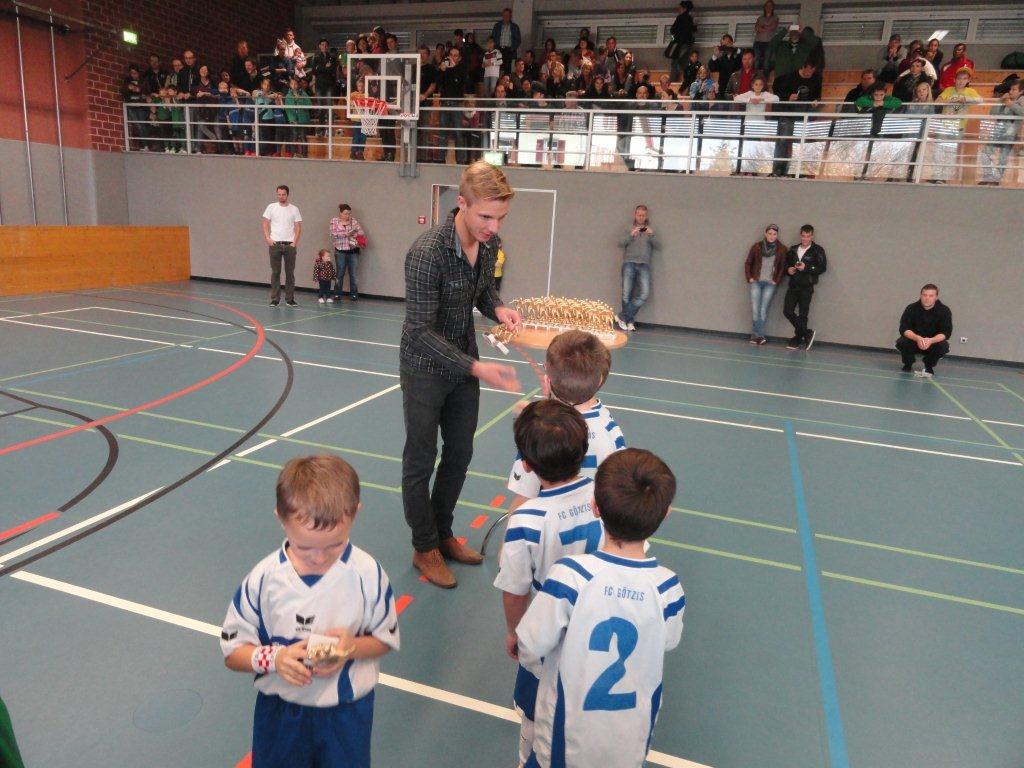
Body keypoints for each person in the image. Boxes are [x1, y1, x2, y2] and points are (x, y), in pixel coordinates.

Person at [220, 455, 400, 768]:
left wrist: (351, 648)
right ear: (280, 517)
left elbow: (384, 640)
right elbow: (233, 654)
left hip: (347, 714)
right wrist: (275, 659)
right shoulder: (263, 581)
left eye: (334, 545)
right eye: (304, 547)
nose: (319, 558)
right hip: (281, 714)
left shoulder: (368, 575)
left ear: (355, 512)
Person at [516, 448, 685, 768]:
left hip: (564, 745)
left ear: (595, 507)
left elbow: (530, 646)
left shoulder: (569, 578)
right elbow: (667, 640)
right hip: (629, 745)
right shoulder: (667, 588)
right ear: (665, 514)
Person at [400, 161, 522, 589]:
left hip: (465, 366)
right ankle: (424, 546)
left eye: (500, 217)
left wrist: (498, 308)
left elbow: (483, 290)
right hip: (425, 369)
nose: (493, 226)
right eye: (485, 216)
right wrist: (476, 366)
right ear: (462, 203)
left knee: (459, 454)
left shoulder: (489, 244)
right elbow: (418, 332)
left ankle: (442, 532)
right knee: (420, 459)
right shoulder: (427, 253)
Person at [496, 399, 606, 767]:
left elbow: (515, 591)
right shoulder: (604, 496)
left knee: (535, 712)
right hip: (595, 628)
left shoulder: (526, 520)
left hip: (547, 635)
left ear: (526, 465)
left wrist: (514, 632)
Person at [506, 329, 626, 510]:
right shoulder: (609, 425)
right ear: (600, 379)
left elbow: (523, 500)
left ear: (547, 380)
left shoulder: (539, 434)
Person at [783, 224, 827, 350]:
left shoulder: (818, 250)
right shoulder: (793, 249)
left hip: (807, 286)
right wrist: (788, 270)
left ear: (812, 236)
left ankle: (797, 339)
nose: (805, 239)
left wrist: (806, 268)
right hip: (793, 285)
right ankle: (807, 333)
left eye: (808, 236)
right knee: (787, 311)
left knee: (803, 314)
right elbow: (786, 265)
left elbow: (822, 268)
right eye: (803, 236)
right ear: (800, 235)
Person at [616, 205, 659, 332]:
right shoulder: (628, 227)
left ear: (646, 216)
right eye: (639, 215)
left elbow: (658, 246)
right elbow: (620, 243)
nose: (641, 217)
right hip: (629, 263)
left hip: (644, 265)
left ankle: (622, 317)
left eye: (643, 215)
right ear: (635, 215)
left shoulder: (650, 230)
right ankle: (629, 322)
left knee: (644, 294)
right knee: (626, 294)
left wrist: (652, 235)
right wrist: (631, 235)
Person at [744, 224, 787, 344]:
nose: (772, 236)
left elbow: (782, 267)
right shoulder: (757, 247)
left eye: (774, 234)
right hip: (756, 282)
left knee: (763, 309)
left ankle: (757, 336)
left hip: (770, 284)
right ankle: (758, 336)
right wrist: (749, 278)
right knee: (755, 309)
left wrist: (776, 280)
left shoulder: (782, 249)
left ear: (777, 235)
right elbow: (748, 263)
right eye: (770, 233)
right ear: (765, 233)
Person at [897, 284, 952, 377]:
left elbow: (946, 332)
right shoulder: (911, 308)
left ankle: (929, 365)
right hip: (914, 340)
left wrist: (931, 340)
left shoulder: (944, 311)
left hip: (933, 342)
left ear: (936, 297)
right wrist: (917, 338)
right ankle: (908, 363)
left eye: (931, 296)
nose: (927, 298)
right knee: (902, 342)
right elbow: (904, 329)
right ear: (921, 295)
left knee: (943, 346)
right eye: (924, 295)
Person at [262, 185, 302, 307]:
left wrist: (294, 242)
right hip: (275, 244)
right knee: (275, 272)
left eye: (283, 194)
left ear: (287, 195)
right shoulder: (271, 207)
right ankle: (275, 299)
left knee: (290, 273)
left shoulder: (294, 209)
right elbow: (265, 224)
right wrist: (268, 238)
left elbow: (298, 227)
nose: (281, 196)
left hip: (289, 245)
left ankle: (289, 299)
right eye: (279, 194)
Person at [979, 78, 1024, 185]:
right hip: (997, 131)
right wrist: (1000, 101)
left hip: (1010, 135)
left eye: (1014, 89)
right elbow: (992, 113)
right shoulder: (1005, 99)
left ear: (1021, 92)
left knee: (1003, 158)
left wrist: (1011, 104)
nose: (1010, 92)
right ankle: (988, 176)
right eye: (1010, 89)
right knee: (985, 153)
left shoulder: (1022, 100)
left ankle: (996, 179)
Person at [330, 204, 365, 301]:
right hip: (340, 251)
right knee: (340, 273)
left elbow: (361, 232)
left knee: (353, 274)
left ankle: (354, 294)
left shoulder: (354, 221)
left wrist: (354, 233)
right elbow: (333, 234)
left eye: (349, 213)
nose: (347, 216)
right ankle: (337, 294)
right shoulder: (334, 221)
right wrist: (347, 234)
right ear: (340, 213)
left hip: (353, 251)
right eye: (345, 213)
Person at [665, 1, 696, 84]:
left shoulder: (680, 18)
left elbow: (673, 30)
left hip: (680, 44)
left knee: (674, 62)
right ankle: (688, 81)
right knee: (684, 63)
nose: (678, 9)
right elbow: (693, 29)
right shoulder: (690, 18)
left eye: (680, 8)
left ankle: (672, 82)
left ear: (684, 9)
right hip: (688, 44)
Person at [709, 35, 742, 101]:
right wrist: (715, 55)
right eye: (724, 45)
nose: (726, 46)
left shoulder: (738, 55)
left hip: (734, 88)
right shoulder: (721, 58)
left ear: (732, 43)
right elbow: (712, 67)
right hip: (722, 88)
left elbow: (742, 61)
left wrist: (736, 49)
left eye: (728, 43)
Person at [492, 7, 521, 75]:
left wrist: (512, 49)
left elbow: (518, 40)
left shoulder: (514, 26)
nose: (506, 17)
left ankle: (506, 80)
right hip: (499, 49)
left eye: (508, 15)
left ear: (510, 16)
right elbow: (493, 38)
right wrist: (494, 49)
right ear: (502, 15)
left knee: (507, 69)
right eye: (504, 15)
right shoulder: (497, 26)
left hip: (509, 50)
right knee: (498, 68)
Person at [754, 0, 779, 73]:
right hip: (758, 41)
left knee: (766, 61)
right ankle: (754, 76)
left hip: (769, 42)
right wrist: (766, 27)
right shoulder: (760, 18)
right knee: (756, 60)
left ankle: (765, 77)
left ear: (773, 7)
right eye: (767, 5)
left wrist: (762, 27)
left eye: (770, 5)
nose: (768, 7)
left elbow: (773, 27)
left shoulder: (775, 17)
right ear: (764, 7)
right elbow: (756, 28)